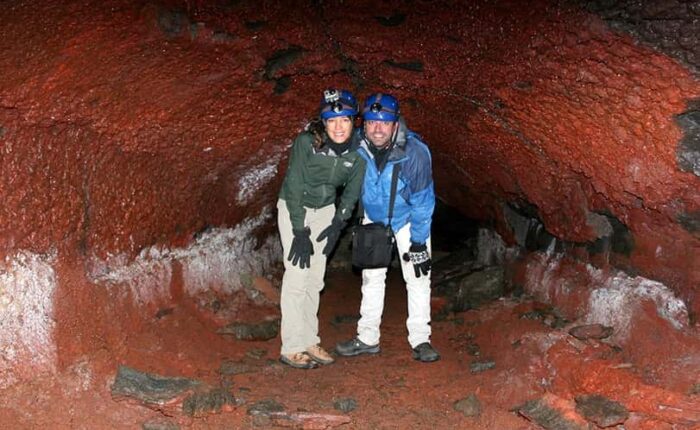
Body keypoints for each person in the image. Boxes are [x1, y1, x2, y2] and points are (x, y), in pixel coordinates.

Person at [336, 93, 440, 362]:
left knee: (417, 278)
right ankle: (367, 338)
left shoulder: (414, 153)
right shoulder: (357, 144)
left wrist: (418, 242)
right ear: (364, 124)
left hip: (407, 220)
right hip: (374, 217)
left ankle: (420, 340)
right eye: (371, 122)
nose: (377, 128)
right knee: (371, 279)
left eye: (384, 123)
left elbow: (423, 201)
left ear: (395, 124)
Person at [277, 89, 366, 369]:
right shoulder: (307, 142)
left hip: (326, 211)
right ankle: (291, 346)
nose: (338, 127)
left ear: (354, 122)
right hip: (296, 207)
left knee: (315, 278)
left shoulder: (358, 153)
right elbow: (293, 185)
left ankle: (308, 339)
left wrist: (340, 220)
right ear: (323, 123)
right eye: (332, 120)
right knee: (297, 275)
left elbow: (352, 190)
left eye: (345, 120)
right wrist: (299, 230)